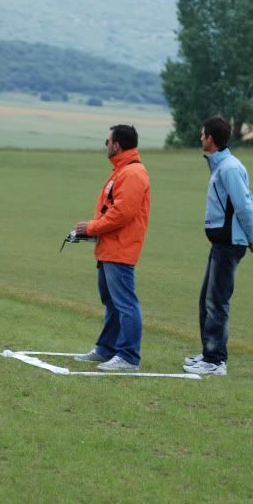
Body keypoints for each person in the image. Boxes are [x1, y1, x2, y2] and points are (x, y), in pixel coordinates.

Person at [183, 115, 253, 376]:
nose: (200, 138)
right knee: (206, 300)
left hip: (230, 243)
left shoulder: (229, 168)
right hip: (221, 243)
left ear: (211, 139)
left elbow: (244, 205)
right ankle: (209, 353)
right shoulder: (221, 165)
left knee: (216, 302)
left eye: (203, 134)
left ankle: (216, 361)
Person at [73, 125, 150, 371]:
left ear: (117, 145)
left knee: (125, 303)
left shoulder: (133, 173)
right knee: (112, 302)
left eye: (107, 141)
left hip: (121, 249)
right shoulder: (122, 171)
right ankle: (106, 348)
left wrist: (91, 228)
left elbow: (121, 214)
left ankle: (128, 356)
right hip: (110, 248)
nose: (105, 144)